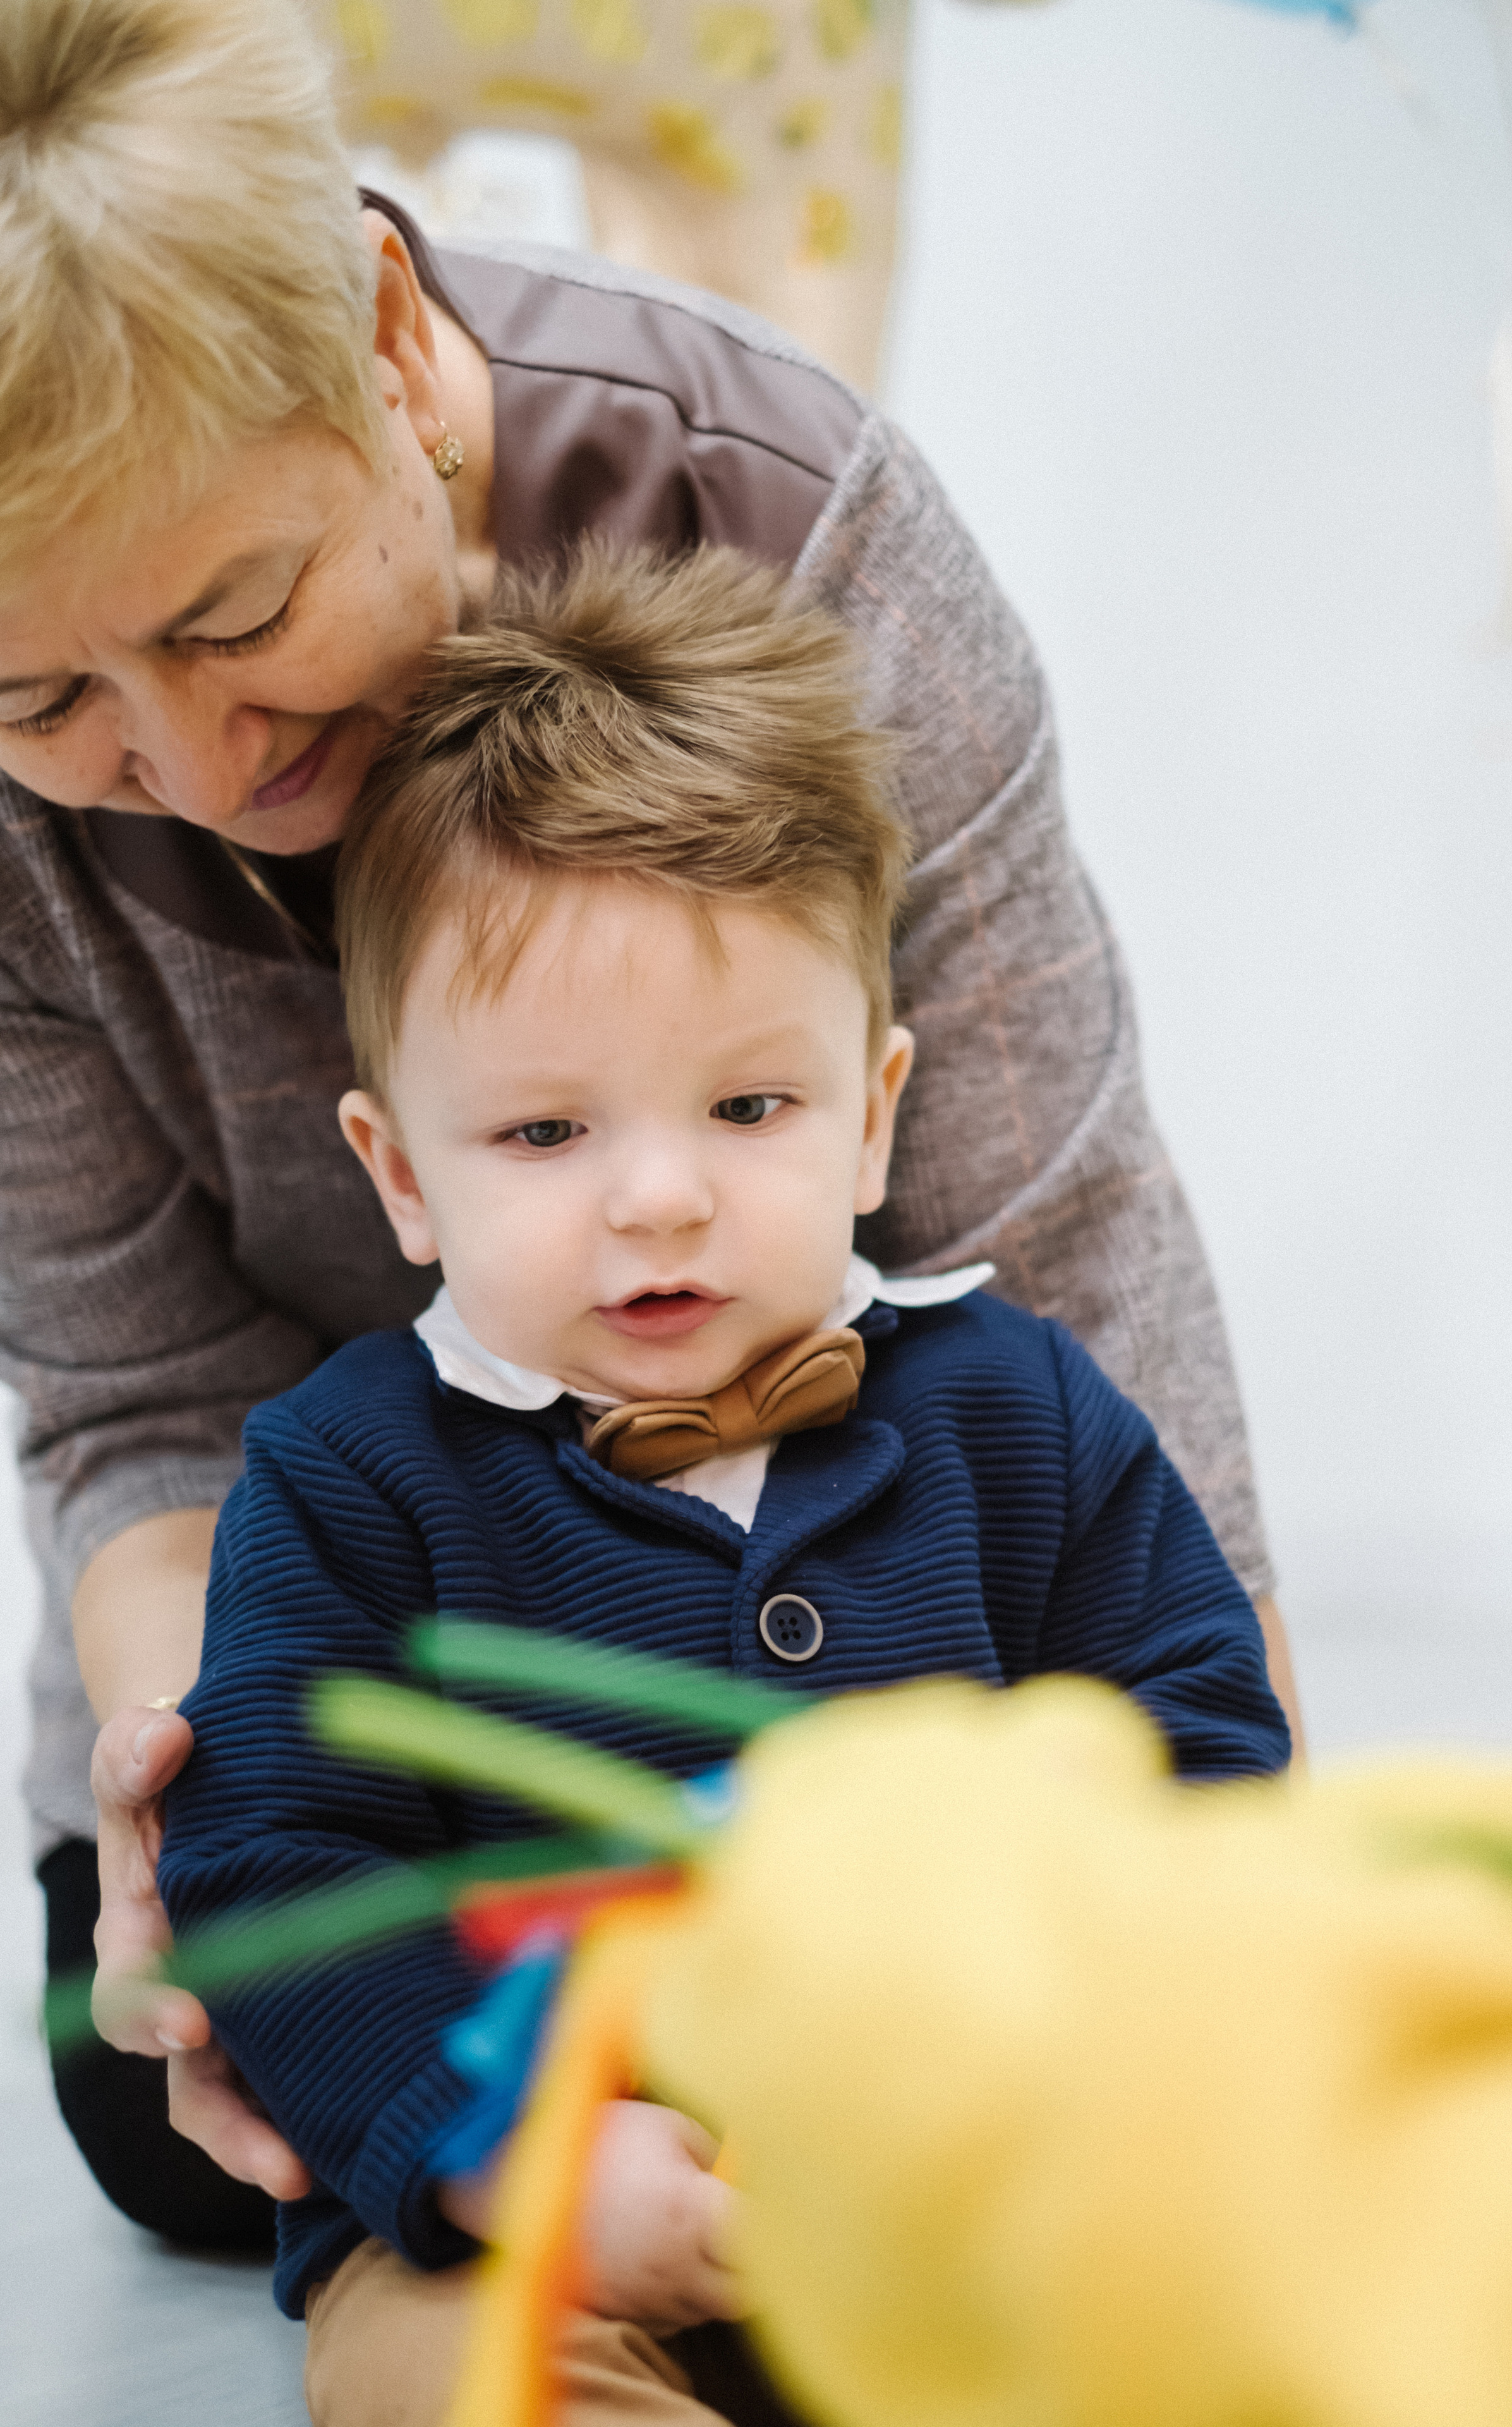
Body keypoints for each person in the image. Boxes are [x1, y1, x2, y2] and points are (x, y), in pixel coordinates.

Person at [0, 0, 1299, 2256]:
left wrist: (1230, 1977)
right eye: (36, 696)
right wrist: (223, 1862)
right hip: (374, 1729)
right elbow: (145, 1409)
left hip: (899, 1828)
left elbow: (1080, 1276)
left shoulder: (812, 539)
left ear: (388, 344)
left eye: (242, 613)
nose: (193, 773)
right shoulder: (344, 1484)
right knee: (192, 2123)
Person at [155, 542, 1290, 2427]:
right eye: (545, 1130)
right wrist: (512, 2148)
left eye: (750, 1108)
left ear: (876, 1115)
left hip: (983, 2167)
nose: (663, 1196)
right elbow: (280, 1874)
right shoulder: (350, 1474)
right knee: (468, 2380)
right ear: (403, 1173)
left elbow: (1201, 1741)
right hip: (532, 2206)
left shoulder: (1025, 1413)